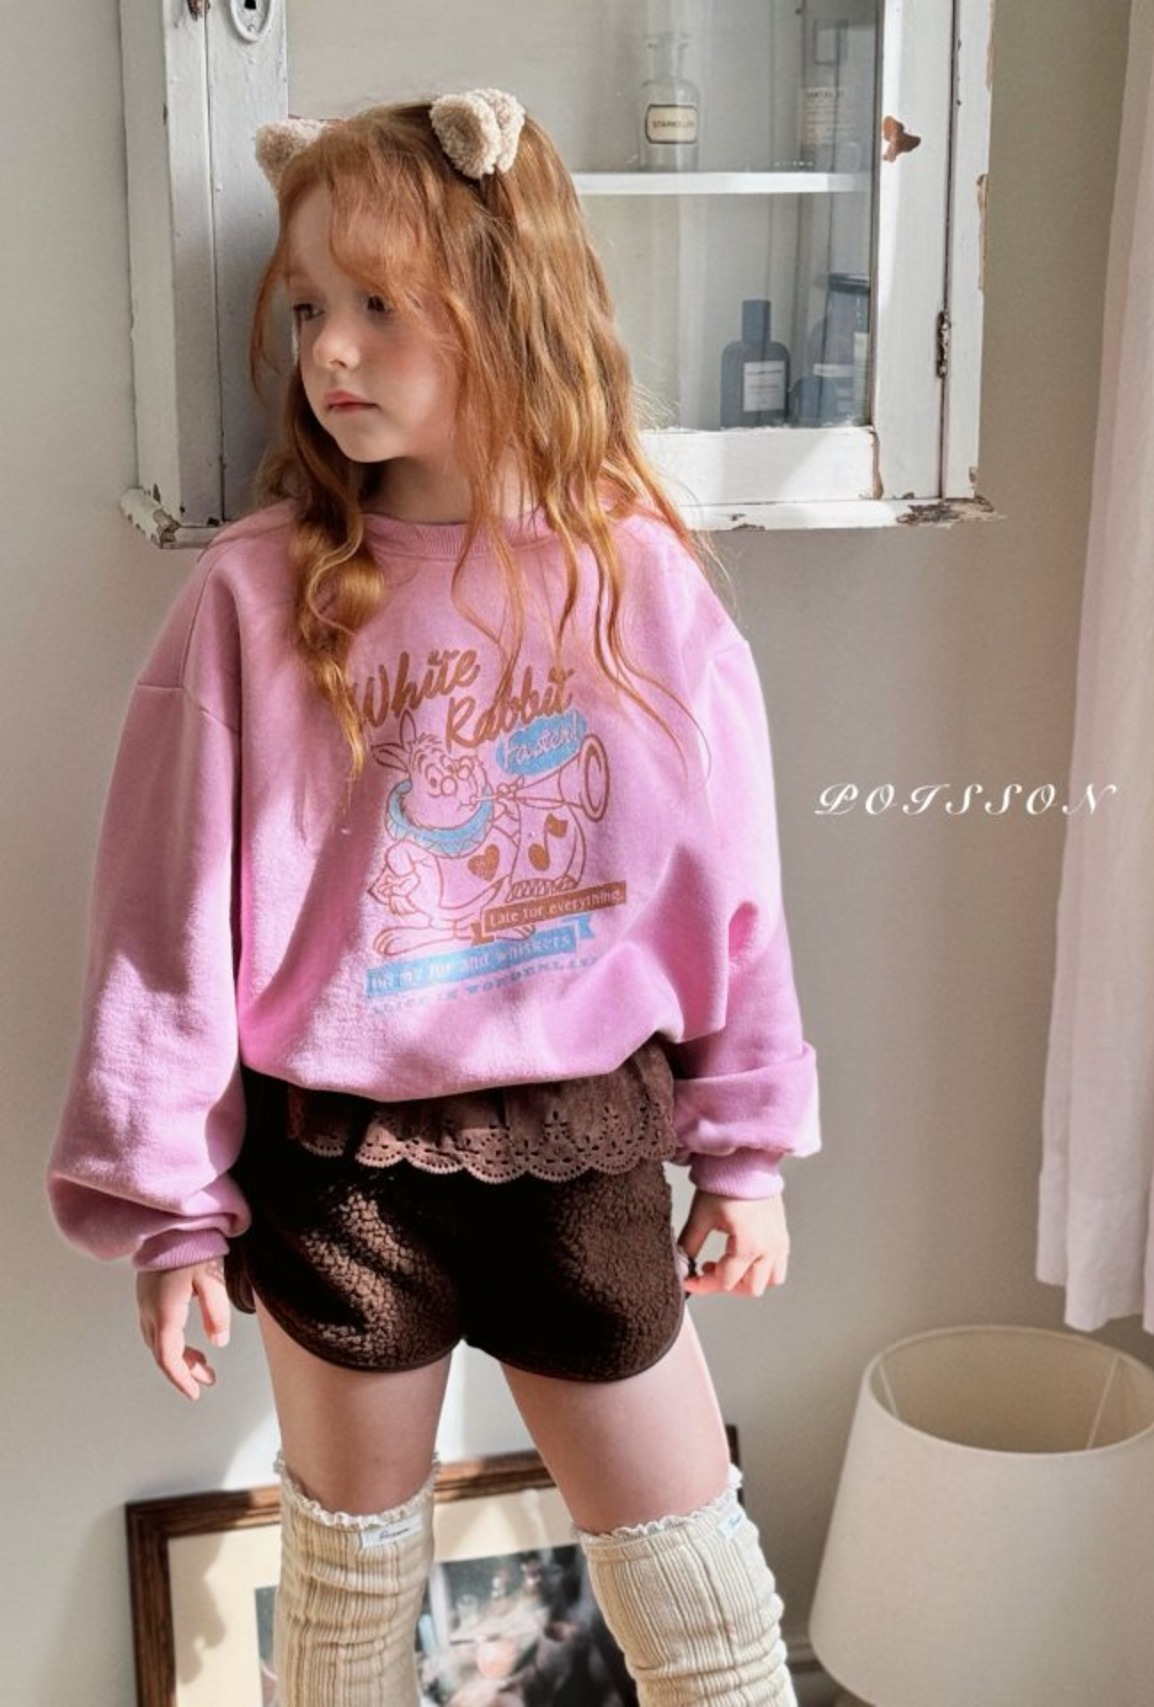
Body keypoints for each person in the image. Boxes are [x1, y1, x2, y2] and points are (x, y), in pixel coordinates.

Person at [47, 89, 820, 1707]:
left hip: (586, 1157)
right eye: (308, 308)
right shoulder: (254, 595)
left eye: (382, 306)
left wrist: (745, 1152)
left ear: (506, 301)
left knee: (708, 1619)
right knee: (346, 1611)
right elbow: (166, 930)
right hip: (340, 1176)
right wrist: (171, 1215)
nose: (330, 351)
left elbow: (733, 892)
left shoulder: (638, 583)